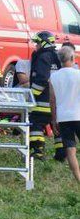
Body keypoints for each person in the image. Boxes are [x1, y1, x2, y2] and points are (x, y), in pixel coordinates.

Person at [49, 43, 80, 182]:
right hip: (78, 114)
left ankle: (79, 179)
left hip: (63, 117)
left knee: (70, 150)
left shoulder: (54, 77)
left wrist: (54, 120)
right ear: (72, 57)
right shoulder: (78, 74)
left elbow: (52, 100)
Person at [28, 31, 61, 159]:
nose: (36, 46)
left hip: (42, 101)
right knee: (57, 126)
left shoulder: (43, 57)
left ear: (44, 43)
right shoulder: (57, 56)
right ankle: (61, 153)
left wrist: (32, 95)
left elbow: (41, 79)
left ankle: (38, 151)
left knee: (36, 123)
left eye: (37, 43)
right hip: (55, 102)